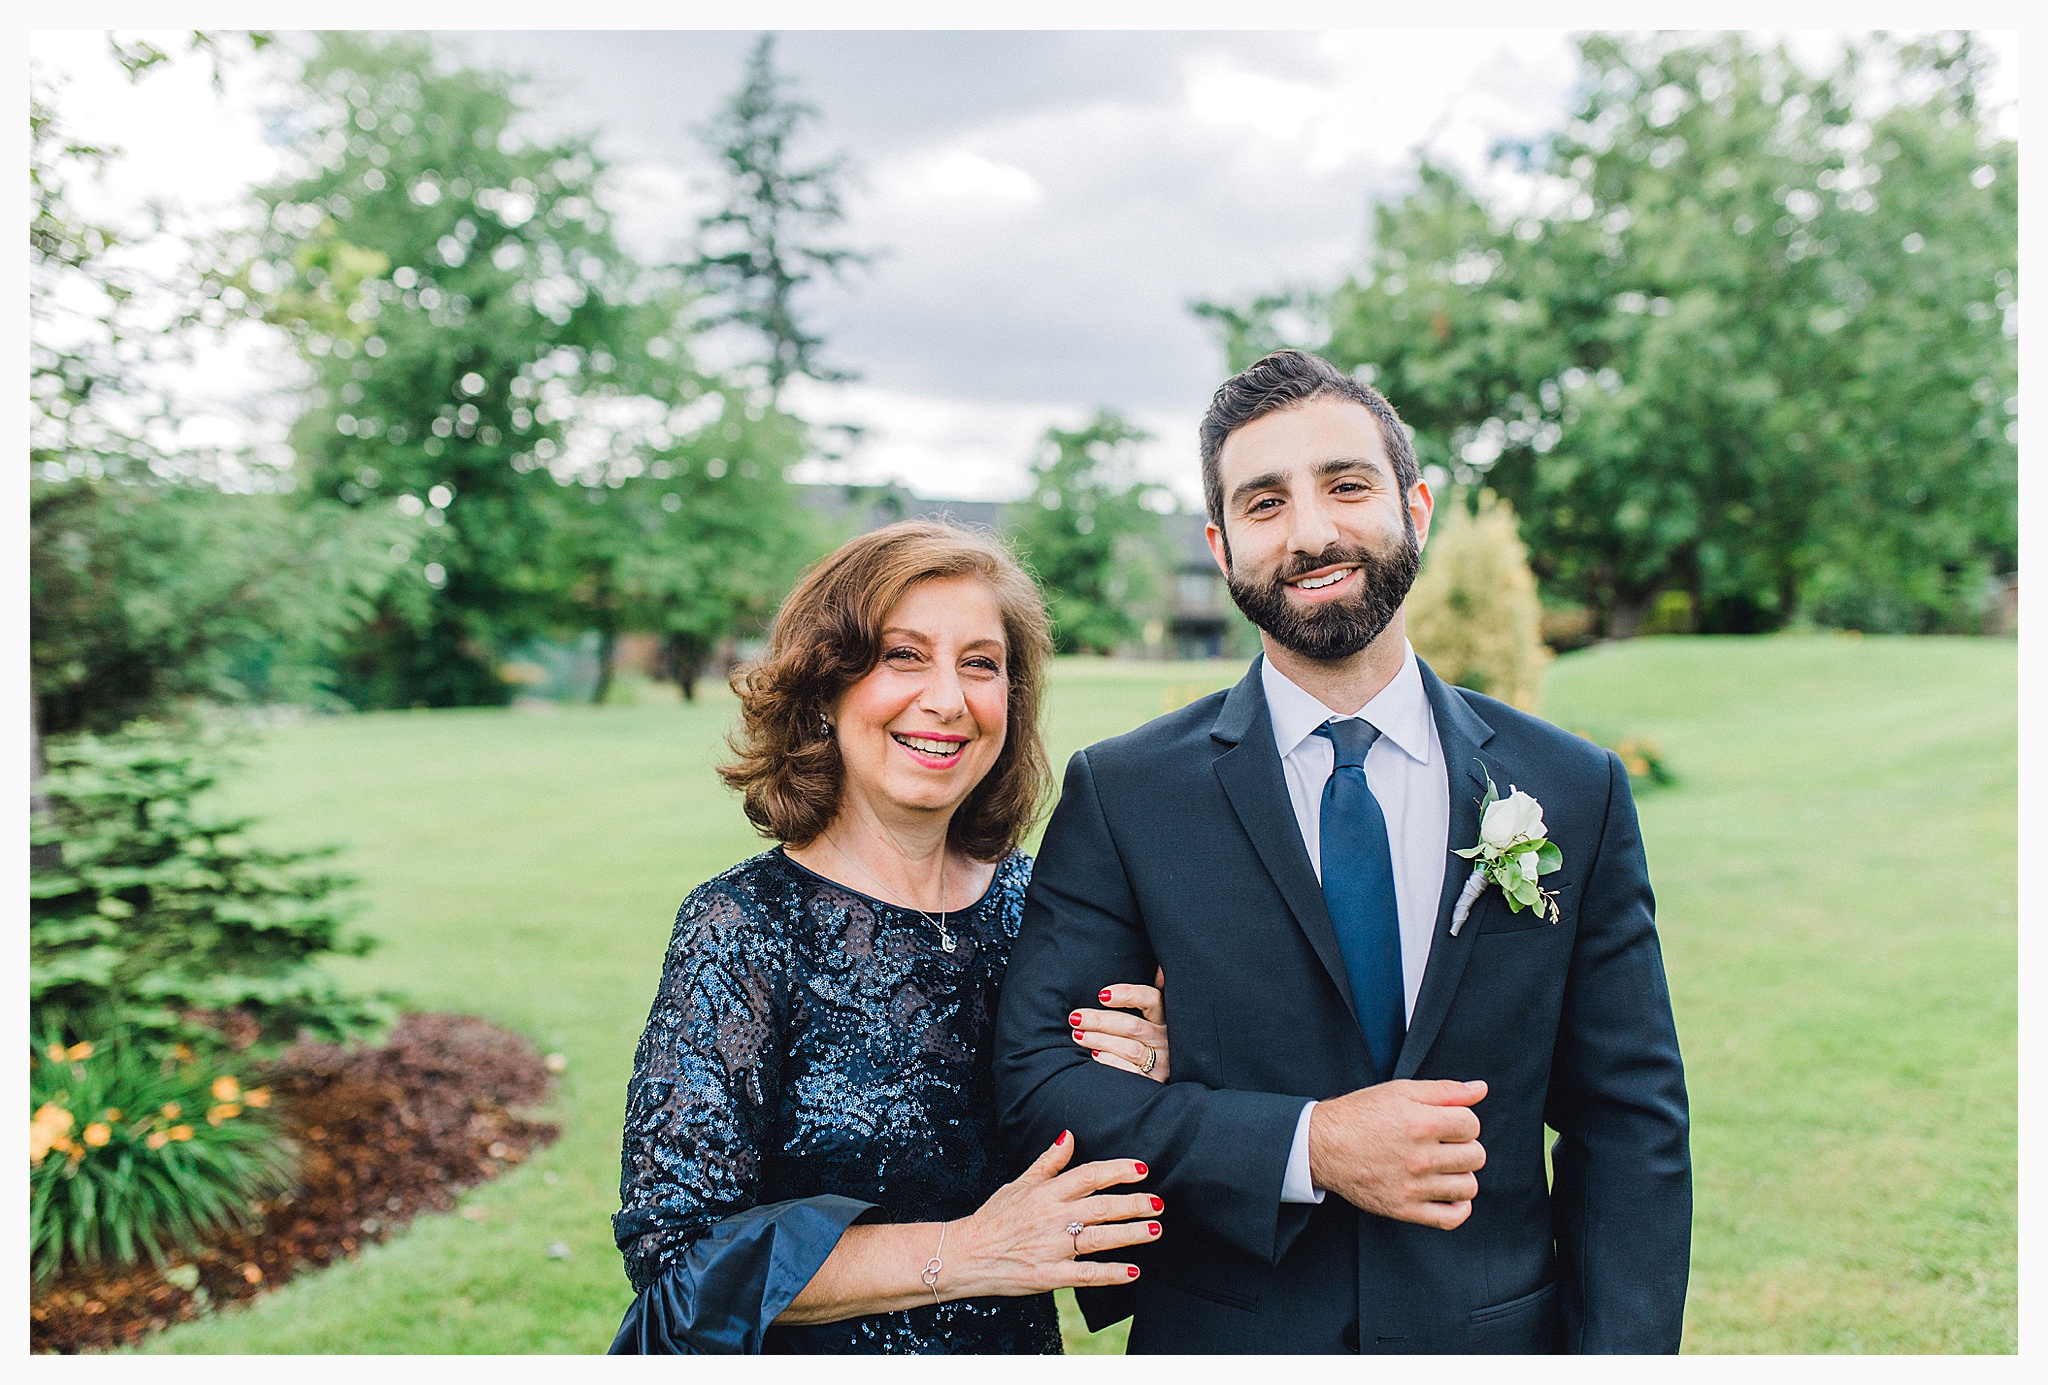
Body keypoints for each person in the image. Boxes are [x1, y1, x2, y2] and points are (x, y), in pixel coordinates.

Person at [995, 349, 1691, 1353]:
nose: (1311, 530)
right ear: (1220, 542)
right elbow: (1036, 1085)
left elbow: (1629, 1124)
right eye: (1264, 501)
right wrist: (1304, 1145)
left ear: (1415, 506)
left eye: (1345, 484)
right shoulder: (1124, 793)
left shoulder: (1571, 790)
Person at [610, 521, 1173, 1354]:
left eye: (979, 663)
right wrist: (969, 1251)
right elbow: (681, 1260)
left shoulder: (1042, 902)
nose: (947, 698)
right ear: (824, 687)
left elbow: (1099, 1180)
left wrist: (1152, 1073)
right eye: (903, 656)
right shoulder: (743, 926)